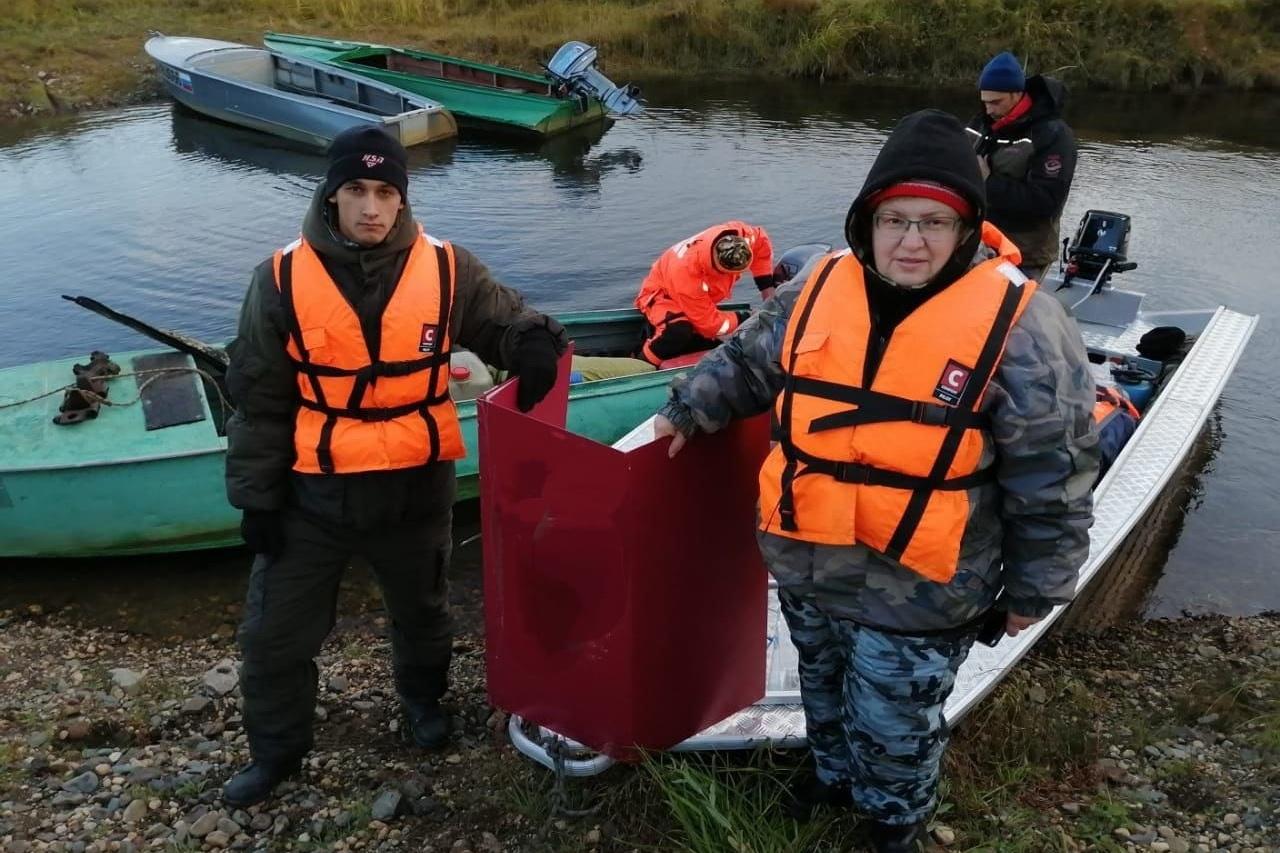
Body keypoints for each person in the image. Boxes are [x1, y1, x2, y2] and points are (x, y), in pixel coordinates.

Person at [654, 110, 1099, 852]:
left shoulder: (1027, 326)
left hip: (926, 584)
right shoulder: (811, 289)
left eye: (934, 221)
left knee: (895, 718)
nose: (912, 240)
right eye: (895, 219)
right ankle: (831, 774)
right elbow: (744, 364)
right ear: (868, 222)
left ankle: (894, 819)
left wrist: (1036, 588)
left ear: (966, 228)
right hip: (809, 556)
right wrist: (685, 412)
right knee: (822, 688)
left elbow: (1055, 474)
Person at [221, 126, 567, 807]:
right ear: (331, 195)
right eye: (356, 190)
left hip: (414, 489)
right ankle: (277, 753)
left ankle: (424, 705)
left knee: (425, 614)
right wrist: (255, 498)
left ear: (403, 198)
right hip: (312, 496)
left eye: (386, 192)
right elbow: (257, 400)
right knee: (271, 635)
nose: (372, 207)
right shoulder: (280, 278)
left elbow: (508, 321)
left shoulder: (447, 268)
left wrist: (532, 344)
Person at [966, 51, 1077, 282]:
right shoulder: (981, 123)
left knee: (1009, 317)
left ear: (1018, 93)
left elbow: (1045, 202)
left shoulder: (1053, 136)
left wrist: (988, 182)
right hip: (975, 244)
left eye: (996, 102)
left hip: (1024, 254)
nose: (989, 110)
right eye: (984, 102)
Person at [634, 221, 775, 365]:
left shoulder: (742, 235)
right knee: (679, 331)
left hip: (693, 299)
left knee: (709, 342)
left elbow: (761, 246)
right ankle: (641, 365)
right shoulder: (687, 274)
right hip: (661, 296)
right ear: (718, 266)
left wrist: (767, 288)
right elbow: (710, 325)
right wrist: (746, 317)